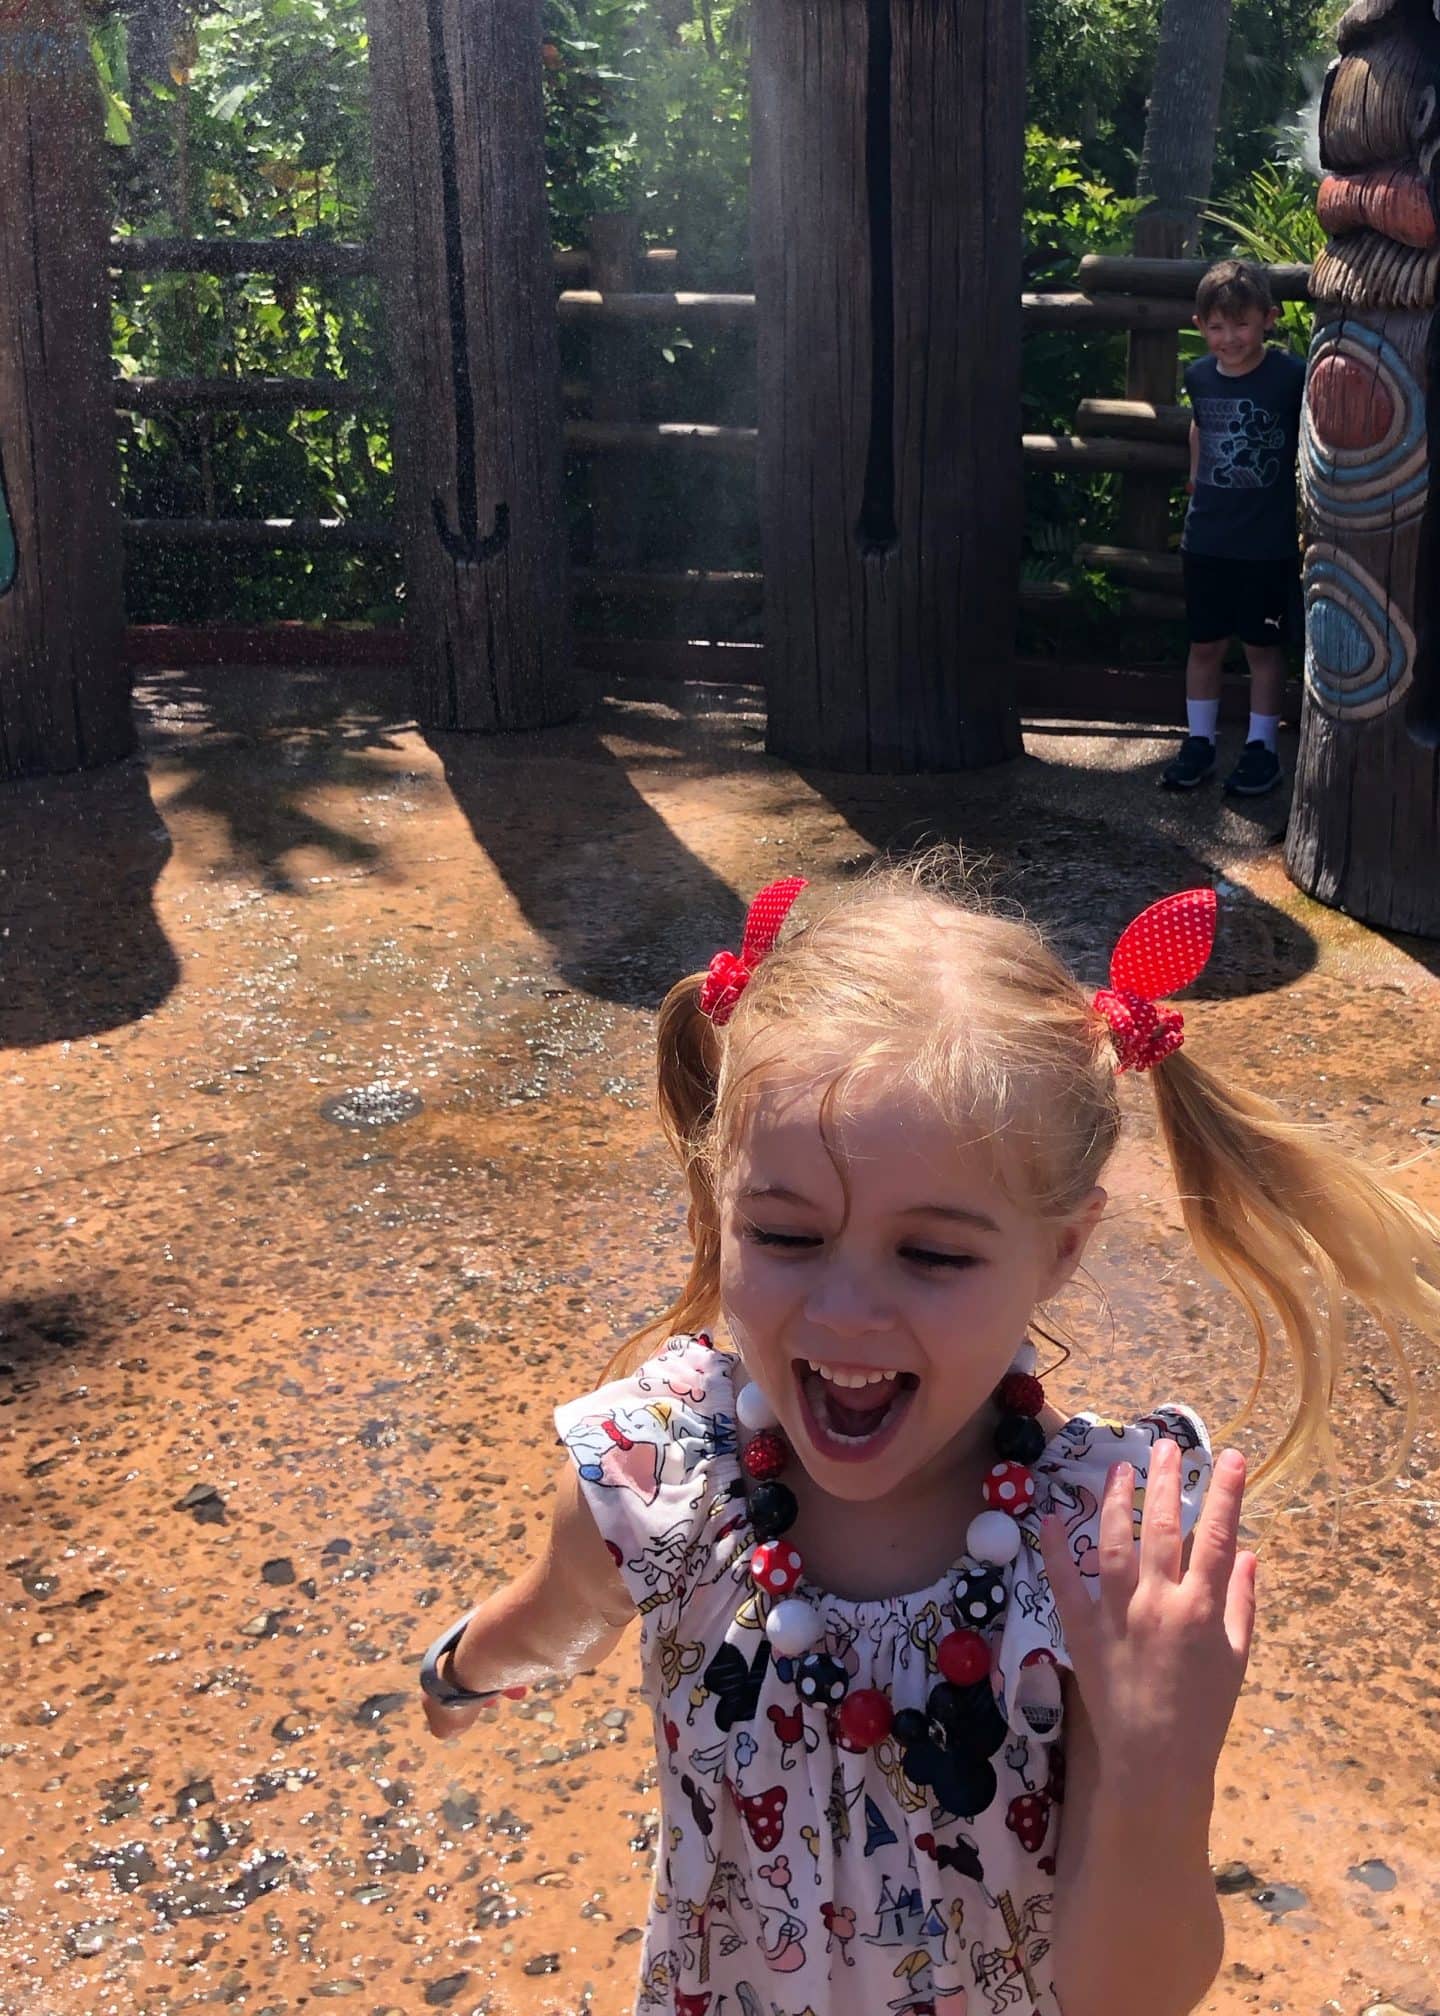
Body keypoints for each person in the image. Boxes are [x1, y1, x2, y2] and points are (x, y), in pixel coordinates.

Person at [419, 865, 1440, 2016]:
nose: (847, 1316)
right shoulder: (663, 1478)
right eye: (786, 1234)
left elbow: (1129, 1998)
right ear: (719, 1198)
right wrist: (457, 1675)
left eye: (936, 1255)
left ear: (1059, 1251)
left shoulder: (1101, 1564)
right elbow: (548, 1615)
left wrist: (1159, 1771)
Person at [1163, 259, 1307, 798]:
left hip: (1264, 544)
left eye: (1241, 324)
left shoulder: (1291, 376)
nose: (1230, 338)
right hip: (1207, 540)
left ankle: (1261, 747)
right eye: (1217, 327)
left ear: (1268, 319)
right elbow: (1200, 426)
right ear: (1199, 325)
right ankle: (1199, 742)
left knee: (1263, 650)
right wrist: (1196, 483)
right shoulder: (1198, 375)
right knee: (1204, 645)